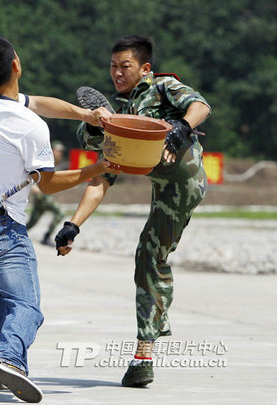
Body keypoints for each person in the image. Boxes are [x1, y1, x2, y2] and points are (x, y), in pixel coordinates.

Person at [0, 35, 118, 403]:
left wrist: (87, 115)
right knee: (26, 306)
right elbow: (50, 184)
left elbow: (37, 102)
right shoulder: (30, 128)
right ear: (16, 64)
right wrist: (99, 167)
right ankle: (8, 358)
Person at [55, 35, 211, 387]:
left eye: (125, 66)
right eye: (113, 66)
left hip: (184, 182)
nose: (117, 72)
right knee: (150, 258)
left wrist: (183, 127)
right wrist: (72, 225)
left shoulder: (162, 87)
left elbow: (200, 105)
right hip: (154, 177)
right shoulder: (121, 124)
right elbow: (101, 180)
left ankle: (145, 352)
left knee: (149, 256)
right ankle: (149, 340)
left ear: (144, 68)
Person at [25, 141, 66, 246]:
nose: (59, 153)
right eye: (58, 151)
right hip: (42, 195)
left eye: (61, 151)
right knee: (60, 213)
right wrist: (33, 186)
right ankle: (46, 236)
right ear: (52, 150)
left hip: (45, 195)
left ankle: (16, 235)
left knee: (32, 222)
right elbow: (32, 171)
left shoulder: (57, 163)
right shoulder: (45, 159)